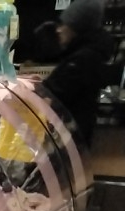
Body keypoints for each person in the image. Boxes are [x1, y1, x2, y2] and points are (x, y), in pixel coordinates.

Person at [39, 0, 115, 144]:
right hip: (76, 134)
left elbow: (53, 94)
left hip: (69, 137)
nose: (58, 30)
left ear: (77, 28)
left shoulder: (82, 60)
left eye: (64, 24)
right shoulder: (88, 53)